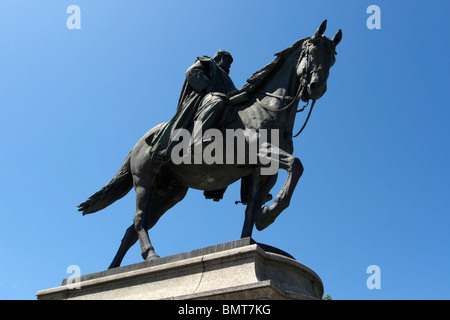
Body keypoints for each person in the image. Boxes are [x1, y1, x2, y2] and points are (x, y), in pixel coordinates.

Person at [147, 50, 237, 161]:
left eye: (230, 62)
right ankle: (197, 139)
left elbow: (234, 93)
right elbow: (192, 71)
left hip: (225, 100)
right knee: (217, 102)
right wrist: (207, 87)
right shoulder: (208, 62)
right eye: (227, 60)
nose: (228, 64)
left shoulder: (227, 79)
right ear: (219, 58)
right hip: (207, 97)